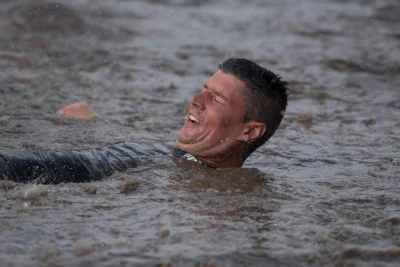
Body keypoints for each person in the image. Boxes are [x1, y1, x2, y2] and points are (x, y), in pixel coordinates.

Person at [0, 58, 288, 184]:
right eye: (204, 89)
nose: (196, 100)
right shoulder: (183, 159)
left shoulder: (211, 184)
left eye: (218, 98)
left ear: (250, 131)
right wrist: (95, 119)